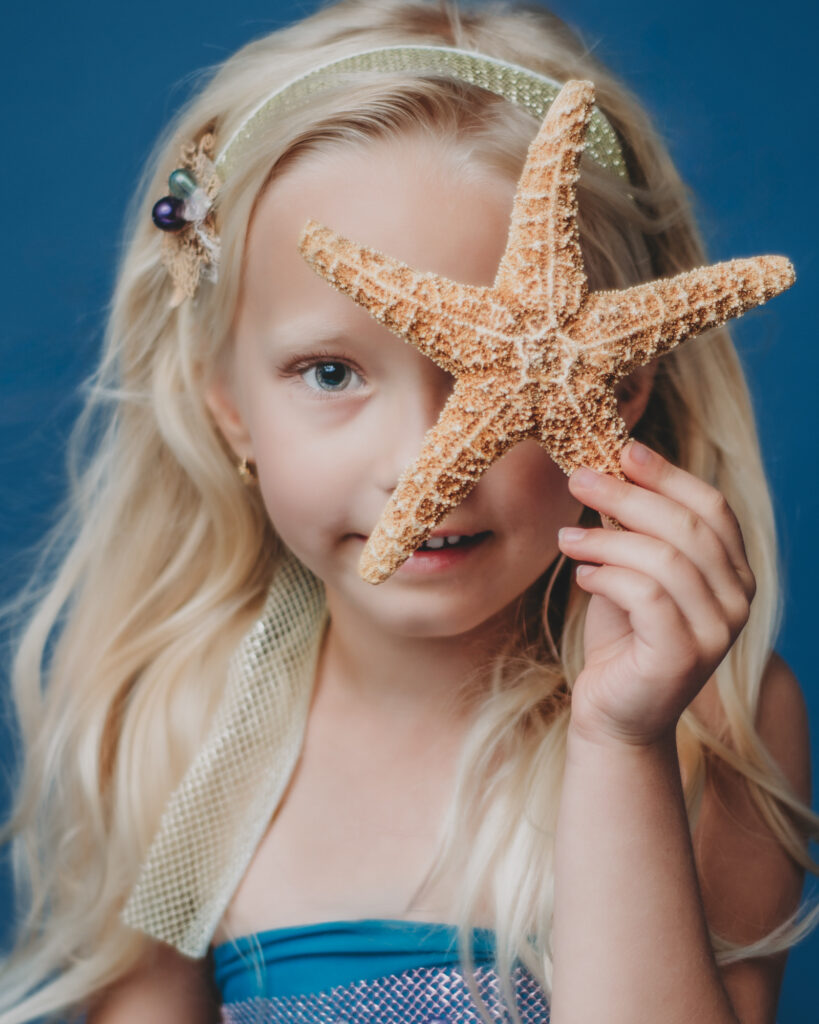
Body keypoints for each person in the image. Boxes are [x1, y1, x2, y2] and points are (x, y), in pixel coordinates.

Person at [1, 1, 816, 1022]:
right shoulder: (182, 726)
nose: (427, 458)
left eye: (492, 385)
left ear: (620, 385)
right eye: (332, 370)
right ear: (228, 408)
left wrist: (622, 744)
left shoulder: (715, 715)